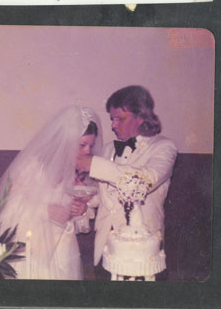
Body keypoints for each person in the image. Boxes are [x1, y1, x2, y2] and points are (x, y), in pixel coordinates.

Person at [0, 106, 101, 280]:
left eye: (91, 146)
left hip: (62, 247)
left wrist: (81, 209)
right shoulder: (33, 166)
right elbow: (10, 205)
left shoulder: (80, 171)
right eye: (82, 145)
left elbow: (80, 219)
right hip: (32, 248)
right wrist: (47, 210)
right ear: (66, 142)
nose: (88, 151)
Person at [76, 85, 178, 280]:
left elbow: (144, 181)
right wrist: (85, 203)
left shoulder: (164, 147)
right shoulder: (107, 150)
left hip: (141, 256)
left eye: (119, 118)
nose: (113, 125)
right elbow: (105, 194)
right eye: (111, 119)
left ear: (141, 117)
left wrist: (93, 164)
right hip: (105, 247)